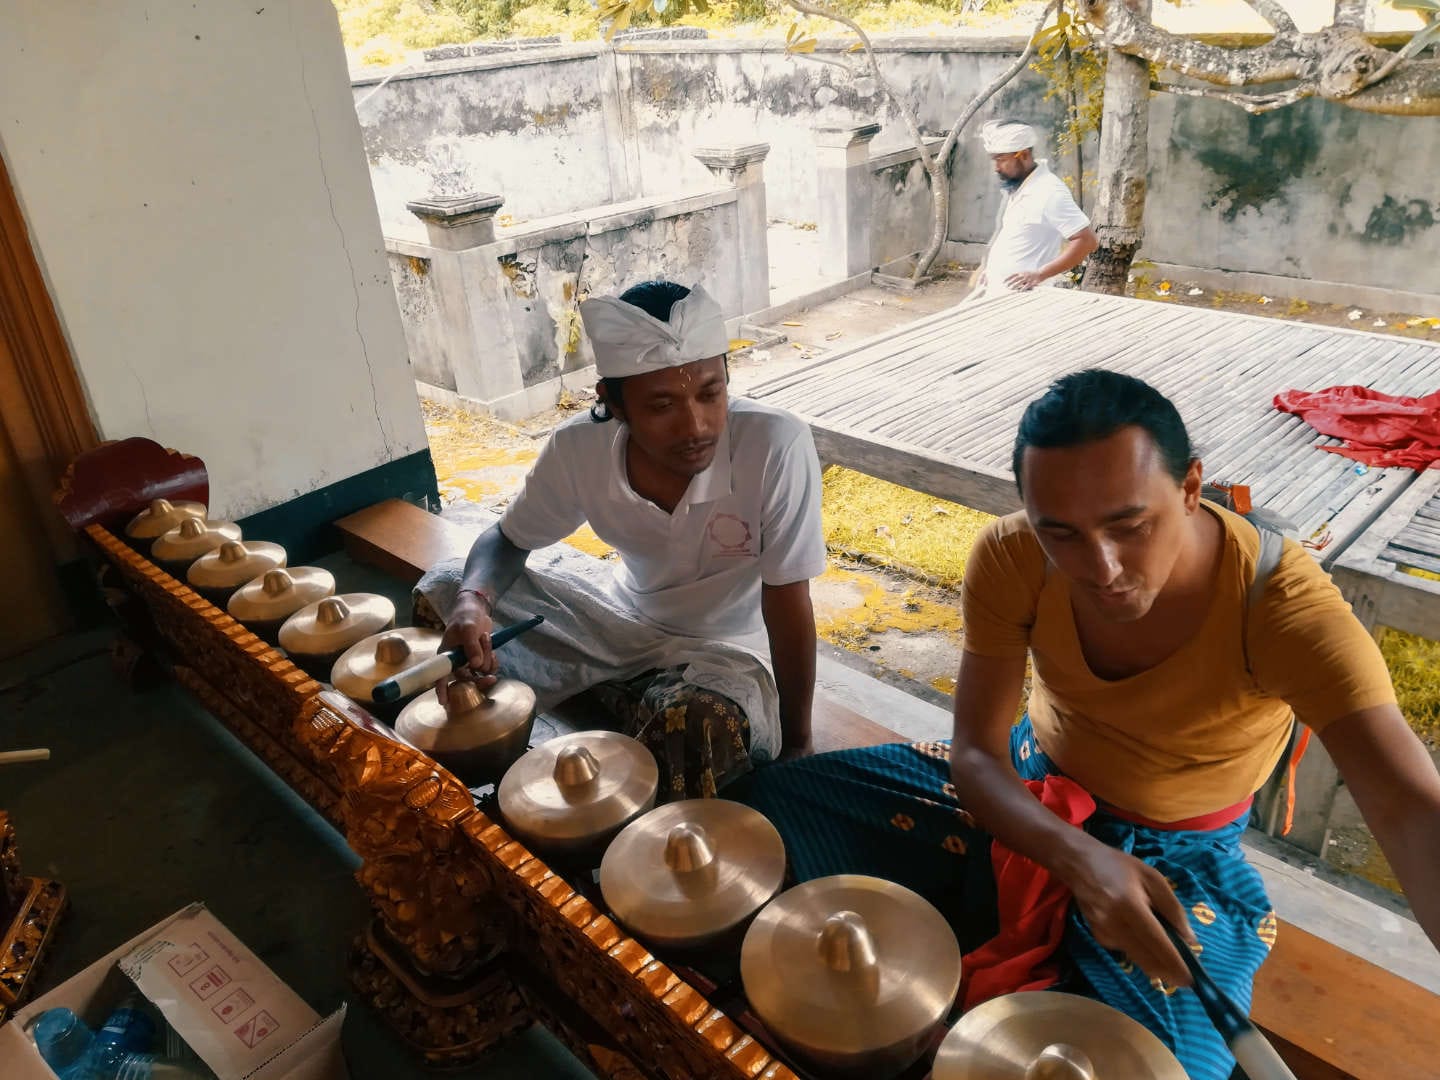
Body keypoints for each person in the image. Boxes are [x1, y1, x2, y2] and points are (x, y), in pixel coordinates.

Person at [732, 369, 1440, 1080]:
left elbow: (1409, 806)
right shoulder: (1013, 555)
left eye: (1130, 526)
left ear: (1192, 488)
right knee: (775, 803)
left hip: (1177, 856)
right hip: (1026, 788)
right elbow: (977, 755)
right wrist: (1076, 858)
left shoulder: (1281, 607)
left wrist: (1096, 864)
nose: (1101, 568)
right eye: (1061, 533)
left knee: (1167, 1064)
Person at [415, 280, 826, 801]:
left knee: (698, 720)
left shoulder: (774, 443)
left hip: (728, 657)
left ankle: (619, 703)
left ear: (727, 377)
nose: (696, 425)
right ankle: (625, 703)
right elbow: (508, 538)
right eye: (661, 406)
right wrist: (474, 603)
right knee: (447, 588)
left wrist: (799, 744)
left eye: (710, 393)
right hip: (618, 624)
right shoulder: (577, 447)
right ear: (613, 403)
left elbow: (789, 599)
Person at [964, 120, 1098, 303]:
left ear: (1024, 155)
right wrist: (992, 271)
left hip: (1026, 300)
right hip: (999, 295)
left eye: (1002, 160)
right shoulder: (1018, 188)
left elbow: (1087, 241)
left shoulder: (1050, 192)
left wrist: (1040, 275)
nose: (996, 168)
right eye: (995, 160)